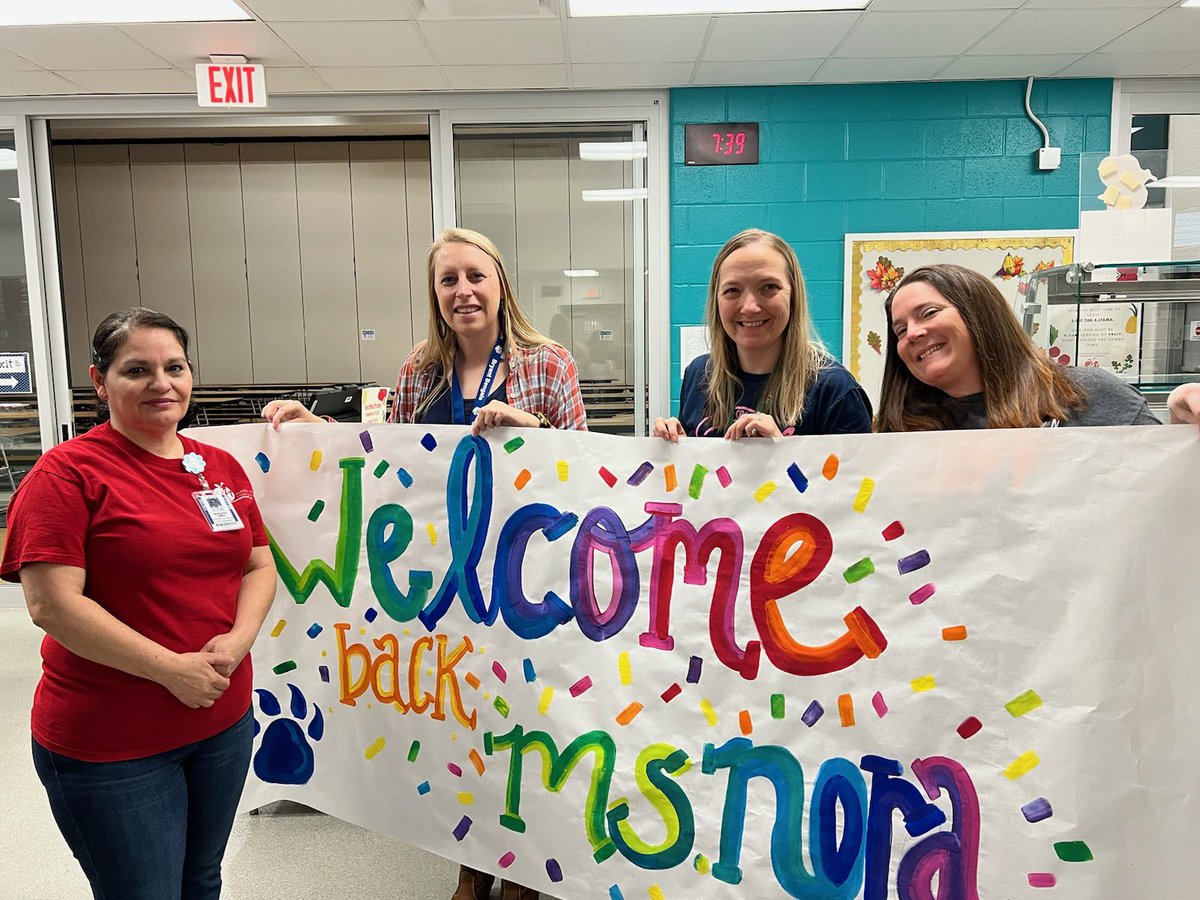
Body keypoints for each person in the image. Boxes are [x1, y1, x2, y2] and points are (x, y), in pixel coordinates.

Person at [265, 227, 586, 900]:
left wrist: (534, 436)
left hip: (522, 577)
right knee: (461, 723)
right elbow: (390, 462)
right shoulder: (420, 369)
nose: (463, 291)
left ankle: (522, 868)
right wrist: (311, 435)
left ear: (500, 282)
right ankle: (472, 864)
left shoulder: (547, 362)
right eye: (448, 280)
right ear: (434, 293)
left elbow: (585, 471)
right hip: (442, 579)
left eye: (475, 275)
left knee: (521, 722)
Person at [1, 308, 276, 900]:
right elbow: (52, 605)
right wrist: (170, 670)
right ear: (99, 381)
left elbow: (258, 562)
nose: (162, 384)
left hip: (222, 723)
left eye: (174, 367)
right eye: (137, 370)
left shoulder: (219, 468)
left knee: (201, 881)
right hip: (113, 744)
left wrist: (239, 639)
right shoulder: (66, 475)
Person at [876, 263, 1200, 430]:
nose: (913, 334)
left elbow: (1163, 498)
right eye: (900, 330)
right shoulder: (898, 433)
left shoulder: (1088, 396)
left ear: (980, 315)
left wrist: (1180, 429)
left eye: (929, 313)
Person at [654, 228, 872, 441]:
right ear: (716, 301)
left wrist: (781, 456)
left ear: (793, 296)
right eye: (732, 290)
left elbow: (858, 478)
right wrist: (678, 450)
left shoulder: (835, 390)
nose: (750, 307)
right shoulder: (699, 374)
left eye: (768, 287)